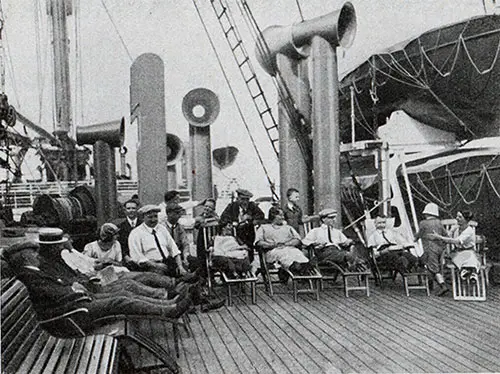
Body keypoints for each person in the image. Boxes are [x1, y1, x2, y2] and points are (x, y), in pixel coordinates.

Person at [2, 239, 192, 329]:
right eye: (33, 253)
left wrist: (75, 286)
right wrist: (74, 289)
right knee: (120, 300)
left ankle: (168, 303)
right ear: (25, 257)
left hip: (78, 300)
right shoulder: (30, 276)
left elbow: (60, 286)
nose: (37, 255)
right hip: (72, 313)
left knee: (125, 292)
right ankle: (168, 308)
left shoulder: (36, 270)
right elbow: (56, 294)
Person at [255, 206, 312, 283]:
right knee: (284, 255)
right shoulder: (264, 227)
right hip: (273, 250)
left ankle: (303, 266)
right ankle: (297, 267)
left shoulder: (288, 227)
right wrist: (272, 244)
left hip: (289, 248)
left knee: (297, 253)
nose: (283, 217)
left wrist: (287, 243)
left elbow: (297, 240)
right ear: (273, 216)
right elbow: (258, 242)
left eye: (283, 215)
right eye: (280, 215)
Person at [128, 205, 187, 277]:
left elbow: (174, 249)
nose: (153, 220)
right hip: (149, 267)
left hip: (167, 263)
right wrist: (155, 265)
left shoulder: (162, 229)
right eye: (150, 217)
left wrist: (180, 267)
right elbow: (137, 256)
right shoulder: (136, 233)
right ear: (143, 218)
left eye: (155, 216)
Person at [428, 210, 481, 283]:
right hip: (457, 252)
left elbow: (456, 241)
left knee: (470, 257)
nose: (457, 218)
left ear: (466, 220)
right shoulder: (456, 228)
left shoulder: (469, 230)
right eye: (457, 216)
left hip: (469, 251)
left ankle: (470, 272)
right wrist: (450, 231)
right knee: (458, 257)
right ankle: (469, 272)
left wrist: (440, 237)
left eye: (460, 217)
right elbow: (447, 238)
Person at [414, 203, 448, 296]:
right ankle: (430, 284)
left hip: (429, 248)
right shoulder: (439, 222)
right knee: (428, 264)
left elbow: (419, 234)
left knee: (433, 267)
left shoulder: (423, 223)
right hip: (439, 248)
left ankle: (442, 285)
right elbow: (445, 235)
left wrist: (414, 239)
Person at [220, 188, 265, 259]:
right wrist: (233, 222)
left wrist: (251, 218)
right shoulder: (232, 206)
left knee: (249, 253)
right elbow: (224, 218)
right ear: (237, 198)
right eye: (242, 199)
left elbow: (261, 215)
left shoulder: (252, 206)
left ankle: (249, 265)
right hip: (235, 233)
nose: (245, 202)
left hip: (248, 233)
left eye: (247, 199)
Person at [113, 198, 142, 263]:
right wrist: (126, 256)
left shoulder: (143, 225)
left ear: (137, 209)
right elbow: (119, 245)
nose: (131, 210)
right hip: (127, 259)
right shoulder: (120, 227)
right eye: (128, 208)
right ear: (125, 210)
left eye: (133, 208)